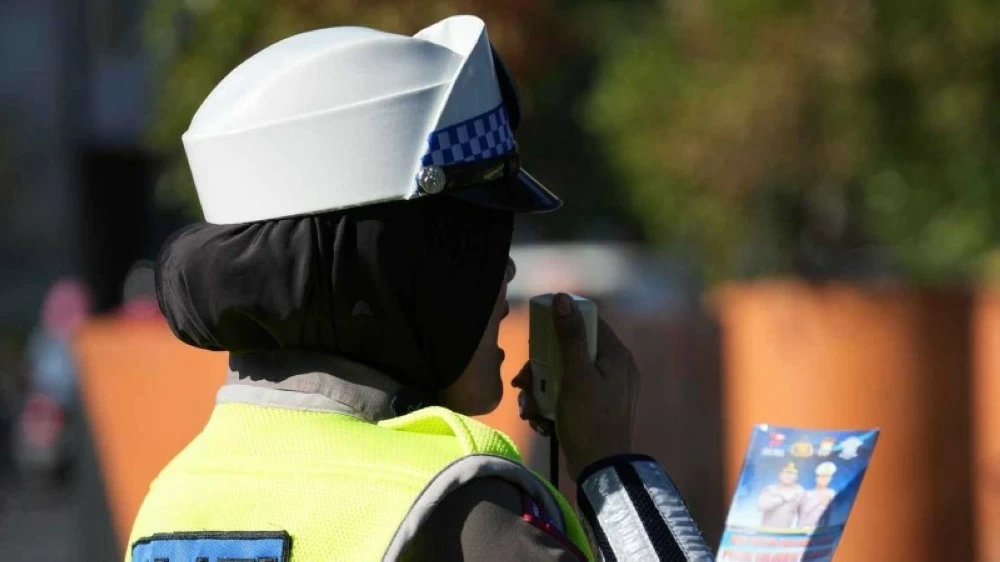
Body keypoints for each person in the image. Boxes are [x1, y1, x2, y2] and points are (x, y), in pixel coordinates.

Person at [127, 16, 713, 562]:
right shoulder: (461, 510)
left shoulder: (170, 502)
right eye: (480, 248)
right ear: (410, 269)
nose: (505, 275)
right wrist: (610, 467)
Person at [757, 462, 805, 529]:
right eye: (785, 473)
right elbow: (761, 507)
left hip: (784, 532)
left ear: (796, 477)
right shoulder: (769, 489)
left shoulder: (800, 492)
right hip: (766, 531)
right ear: (780, 475)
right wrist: (781, 498)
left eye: (792, 474)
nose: (788, 476)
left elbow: (804, 515)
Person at [798, 462, 837, 529]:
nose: (824, 480)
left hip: (824, 528)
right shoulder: (808, 494)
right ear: (817, 478)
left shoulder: (832, 493)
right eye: (822, 477)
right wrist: (819, 501)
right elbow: (803, 512)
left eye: (827, 477)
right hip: (807, 527)